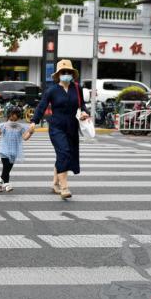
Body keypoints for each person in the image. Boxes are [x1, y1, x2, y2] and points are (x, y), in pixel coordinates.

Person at [31, 59, 89, 199]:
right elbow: (42, 106)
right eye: (63, 72)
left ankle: (55, 183)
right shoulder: (52, 90)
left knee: (64, 154)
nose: (66, 74)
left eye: (69, 72)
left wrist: (84, 113)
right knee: (64, 152)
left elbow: (82, 105)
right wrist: (34, 121)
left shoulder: (77, 88)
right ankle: (64, 187)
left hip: (72, 126)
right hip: (56, 127)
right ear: (58, 74)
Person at [0, 106, 35, 192]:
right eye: (14, 114)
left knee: (7, 169)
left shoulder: (21, 127)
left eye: (17, 114)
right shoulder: (3, 125)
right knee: (6, 167)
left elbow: (25, 137)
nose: (15, 116)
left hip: (14, 151)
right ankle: (7, 184)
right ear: (9, 114)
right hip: (4, 150)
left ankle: (0, 183)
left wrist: (30, 132)